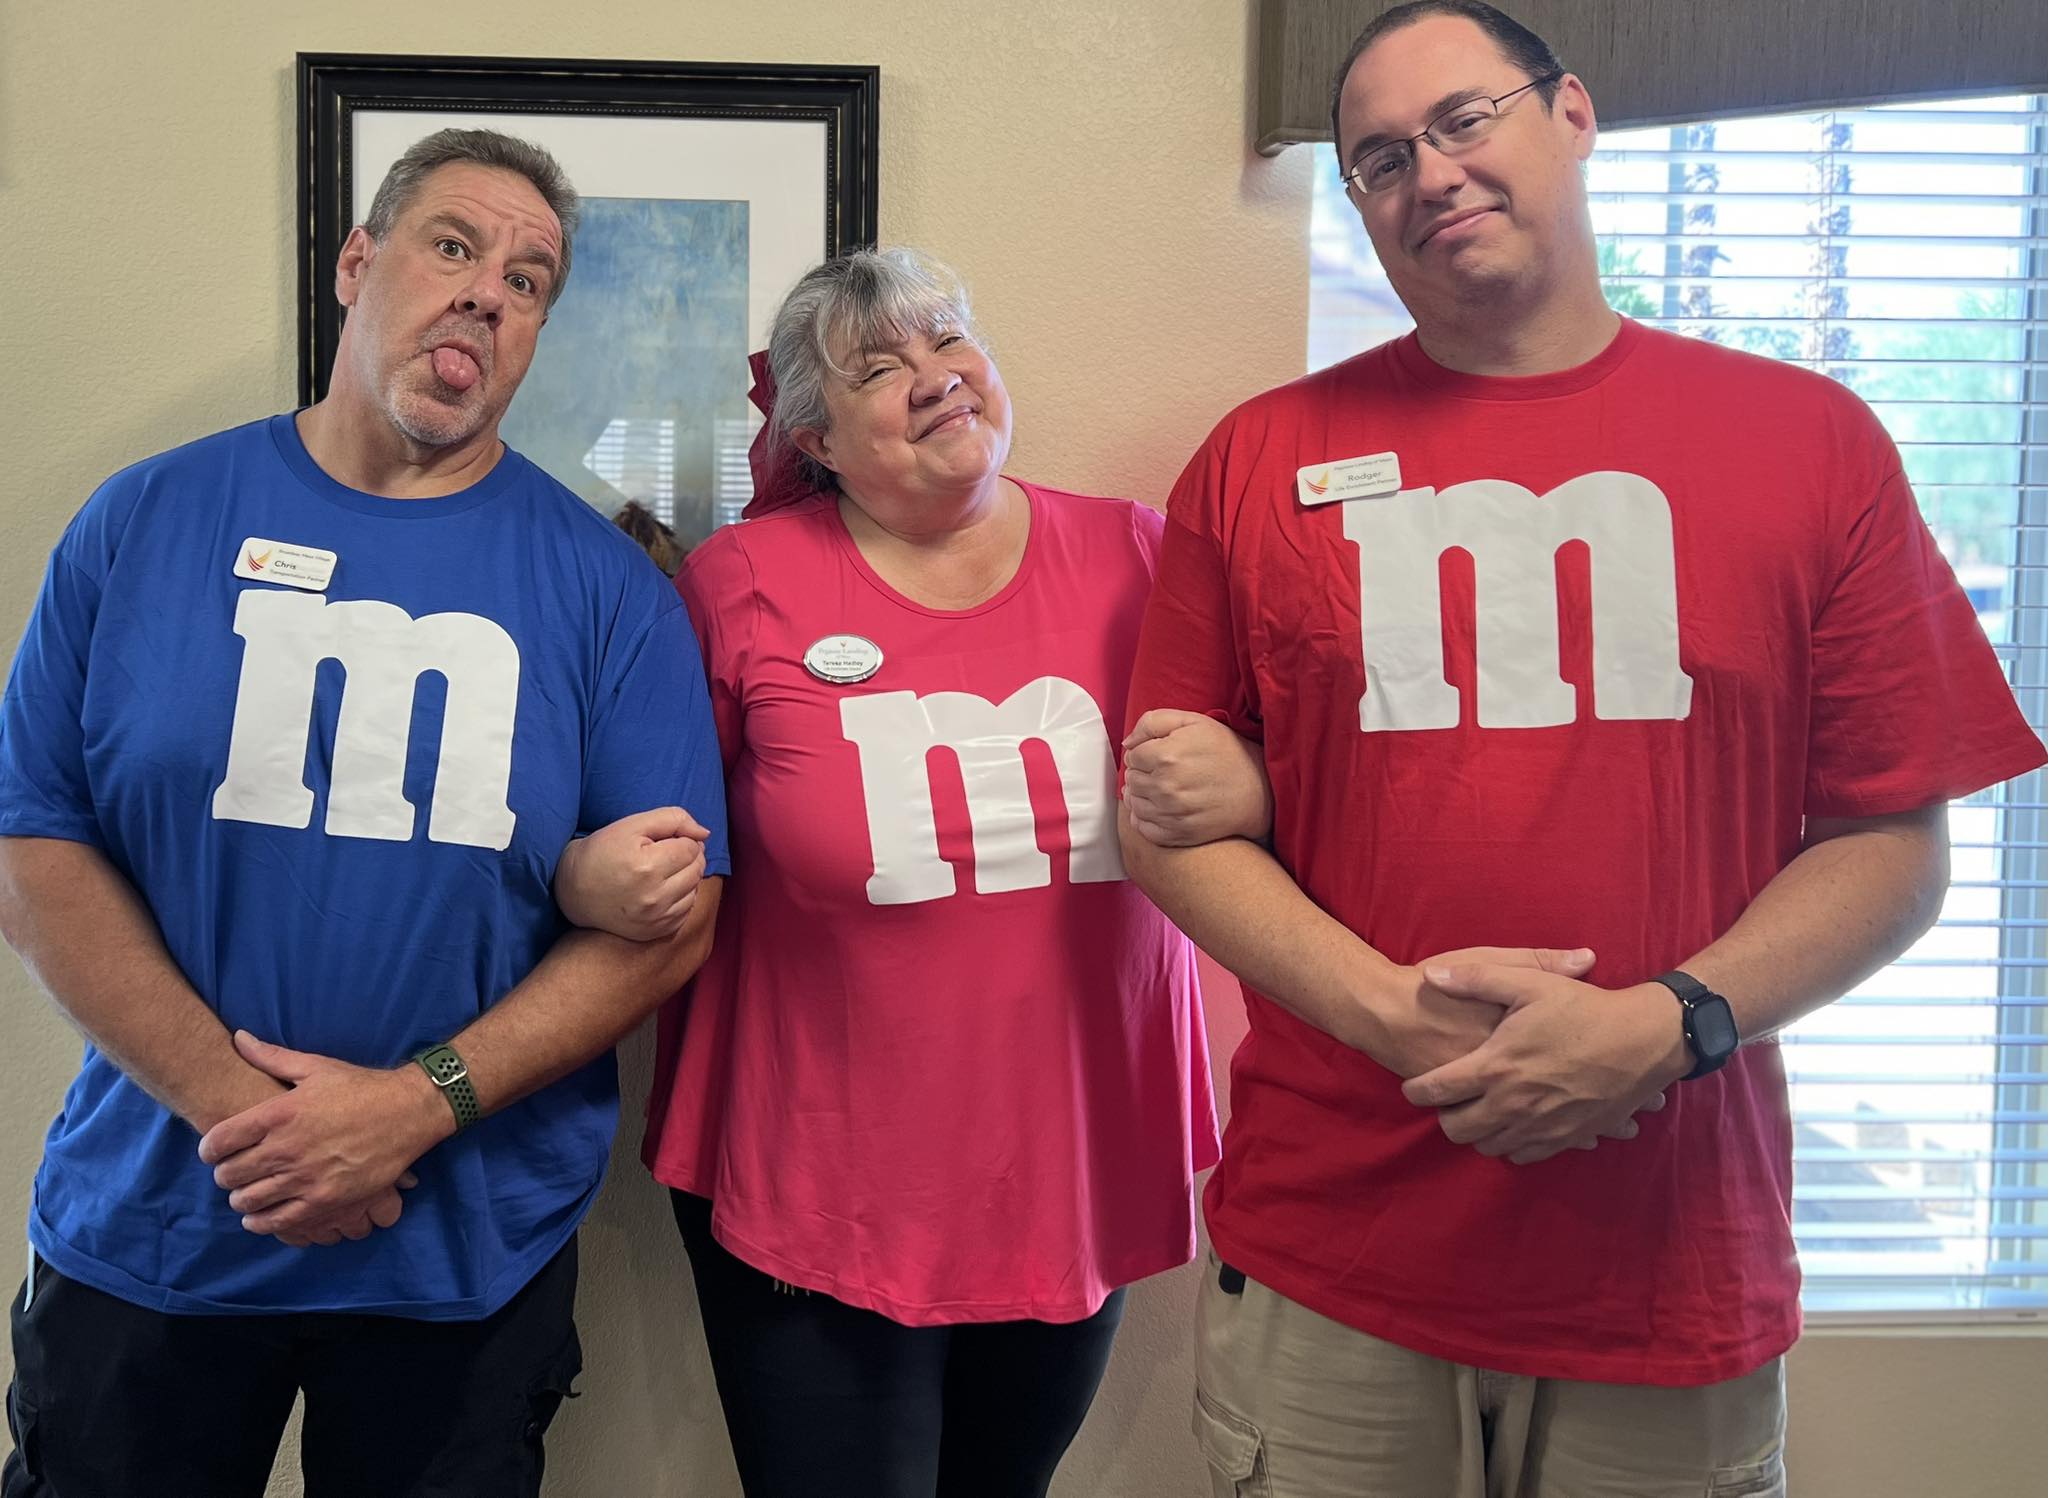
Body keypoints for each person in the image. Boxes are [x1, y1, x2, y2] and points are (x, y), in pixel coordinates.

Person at [1117, 4, 2048, 1495]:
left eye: (1462, 120)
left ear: (1573, 114)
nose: (1428, 173)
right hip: (1336, 1253)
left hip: (1670, 1258)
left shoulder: (1808, 442)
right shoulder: (1257, 459)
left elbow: (1891, 845)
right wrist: (1386, 1015)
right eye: (1378, 158)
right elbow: (1171, 825)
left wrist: (1669, 1025)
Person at [0, 127, 727, 1498]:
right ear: (357, 262)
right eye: (454, 245)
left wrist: (415, 1105)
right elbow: (34, 845)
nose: (486, 293)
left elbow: (674, 921)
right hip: (157, 1222)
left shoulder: (609, 593)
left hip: (460, 1256)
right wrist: (262, 1125)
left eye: (527, 280)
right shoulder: (144, 519)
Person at [569, 246, 1244, 1498]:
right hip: (820, 1172)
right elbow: (649, 830)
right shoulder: (742, 584)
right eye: (878, 368)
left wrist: (1246, 786)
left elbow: (1266, 779)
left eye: (947, 341)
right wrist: (587, 874)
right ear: (815, 440)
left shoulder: (1138, 554)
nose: (934, 377)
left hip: (1067, 1161)